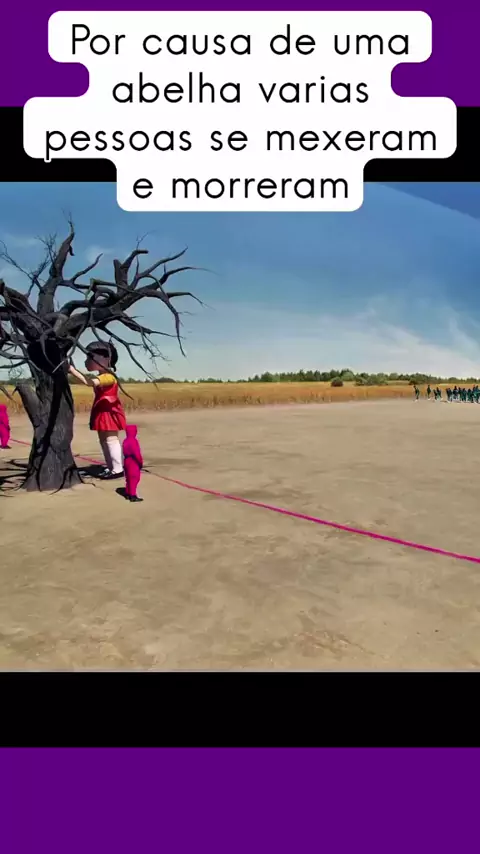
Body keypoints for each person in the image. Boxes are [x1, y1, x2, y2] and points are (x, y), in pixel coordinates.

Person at [68, 342, 127, 479]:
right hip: (102, 409)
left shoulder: (108, 377)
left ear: (106, 359)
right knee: (103, 439)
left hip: (109, 410)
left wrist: (72, 370)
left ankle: (118, 468)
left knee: (111, 439)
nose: (87, 361)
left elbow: (89, 383)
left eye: (91, 357)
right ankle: (111, 467)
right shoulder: (103, 376)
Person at [122, 424, 144, 503]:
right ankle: (132, 495)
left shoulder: (125, 440)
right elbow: (137, 453)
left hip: (126, 460)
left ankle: (128, 493)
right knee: (134, 478)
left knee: (128, 478)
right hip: (133, 462)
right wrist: (140, 463)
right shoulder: (134, 441)